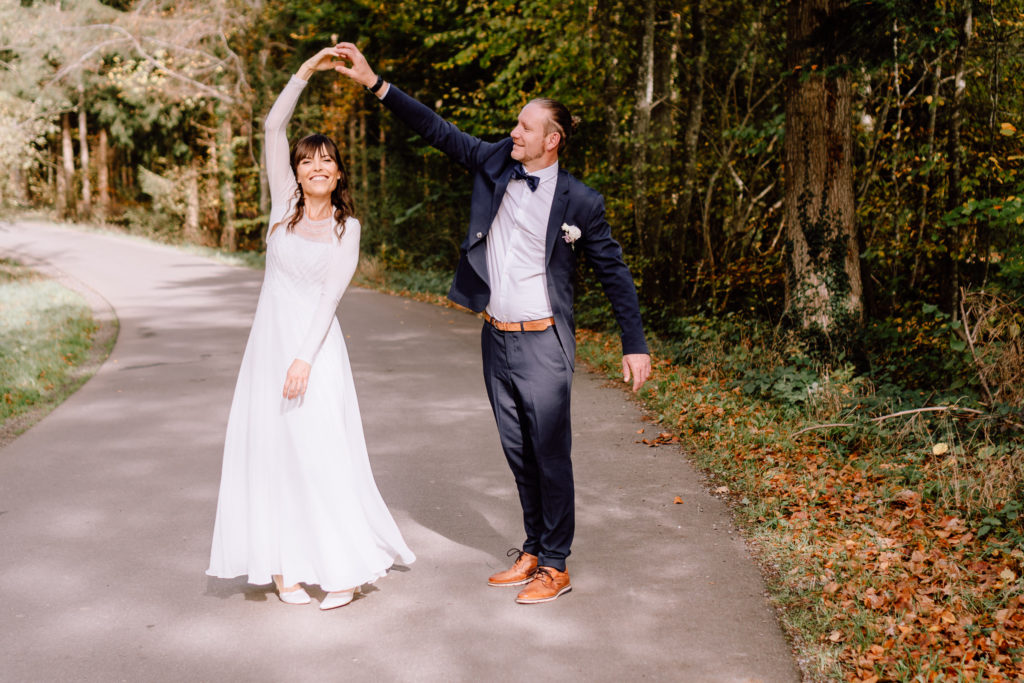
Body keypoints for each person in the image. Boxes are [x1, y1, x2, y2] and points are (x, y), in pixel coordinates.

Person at [334, 43, 651, 604]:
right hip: (495, 335)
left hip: (544, 342)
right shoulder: (496, 162)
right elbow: (438, 129)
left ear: (552, 140)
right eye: (516, 125)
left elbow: (614, 273)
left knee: (551, 453)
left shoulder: (582, 202)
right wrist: (375, 84)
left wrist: (635, 344)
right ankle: (533, 548)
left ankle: (556, 564)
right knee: (517, 449)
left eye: (526, 127)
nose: (515, 132)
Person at [206, 46, 415, 610]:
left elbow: (329, 299)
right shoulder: (282, 207)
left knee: (321, 453)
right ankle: (283, 568)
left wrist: (302, 359)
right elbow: (275, 126)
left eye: (326, 161)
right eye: (306, 161)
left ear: (339, 171)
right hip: (266, 350)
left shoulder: (349, 229)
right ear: (296, 172)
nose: (316, 168)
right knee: (272, 453)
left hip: (315, 351)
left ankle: (343, 570)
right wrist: (306, 71)